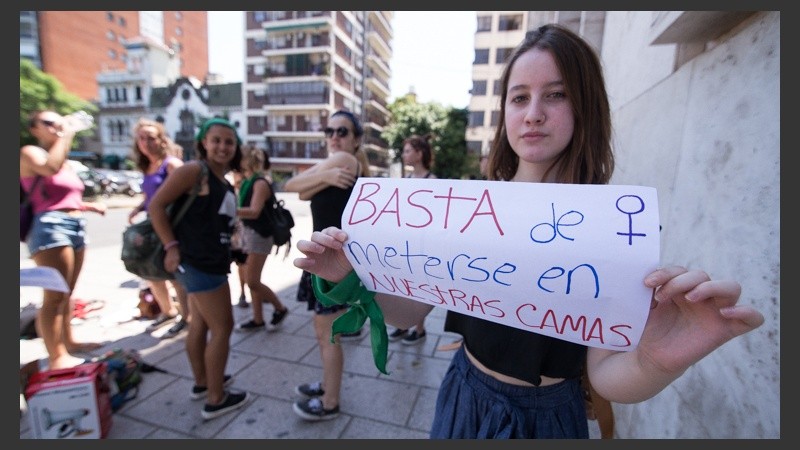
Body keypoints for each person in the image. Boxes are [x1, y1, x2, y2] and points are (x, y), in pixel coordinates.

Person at [291, 24, 766, 439]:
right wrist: (353, 276)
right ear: (505, 112)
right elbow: (408, 311)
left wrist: (658, 361)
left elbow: (607, 377)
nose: (533, 112)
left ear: (586, 107)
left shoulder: (611, 227)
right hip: (462, 392)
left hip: (549, 416)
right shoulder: (468, 207)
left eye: (555, 95)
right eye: (520, 97)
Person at [148, 117, 249, 420]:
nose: (222, 146)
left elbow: (217, 220)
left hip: (210, 260)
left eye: (229, 141)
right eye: (216, 139)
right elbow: (155, 206)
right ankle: (216, 399)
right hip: (198, 262)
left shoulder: (222, 179)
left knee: (201, 325)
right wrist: (171, 246)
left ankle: (203, 384)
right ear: (203, 143)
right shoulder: (194, 171)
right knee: (223, 327)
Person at [283, 109, 371, 421]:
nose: (334, 137)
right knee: (324, 332)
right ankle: (326, 385)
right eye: (329, 130)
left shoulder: (345, 162)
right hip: (327, 259)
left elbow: (293, 183)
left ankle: (330, 401)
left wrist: (319, 176)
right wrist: (323, 177)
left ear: (356, 139)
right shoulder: (334, 167)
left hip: (332, 263)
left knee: (328, 334)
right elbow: (302, 190)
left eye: (342, 132)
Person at [20, 110, 107, 370]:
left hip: (74, 224)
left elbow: (65, 197)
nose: (57, 127)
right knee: (55, 295)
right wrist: (67, 132)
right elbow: (50, 168)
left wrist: (89, 207)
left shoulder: (65, 161)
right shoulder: (30, 153)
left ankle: (70, 343)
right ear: (34, 129)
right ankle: (57, 357)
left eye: (59, 122)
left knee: (67, 293)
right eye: (48, 123)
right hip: (50, 228)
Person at [127, 119, 186, 337]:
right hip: (153, 228)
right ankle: (167, 311)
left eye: (151, 137)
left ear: (161, 140)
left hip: (170, 228)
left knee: (173, 273)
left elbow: (181, 195)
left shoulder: (171, 165)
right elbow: (152, 197)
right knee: (151, 272)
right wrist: (138, 208)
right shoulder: (148, 166)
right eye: (142, 138)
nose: (146, 142)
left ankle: (185, 317)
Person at [387, 134, 437, 346]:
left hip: (422, 244)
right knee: (402, 286)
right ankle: (402, 324)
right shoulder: (406, 181)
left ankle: (419, 328)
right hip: (403, 242)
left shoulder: (433, 181)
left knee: (419, 288)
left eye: (408, 150)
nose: (404, 155)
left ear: (419, 153)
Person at [234, 145, 289, 331]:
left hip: (260, 236)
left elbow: (254, 211)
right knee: (253, 281)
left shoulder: (259, 183)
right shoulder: (246, 181)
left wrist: (227, 211)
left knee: (252, 281)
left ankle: (280, 308)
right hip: (248, 234)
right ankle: (258, 319)